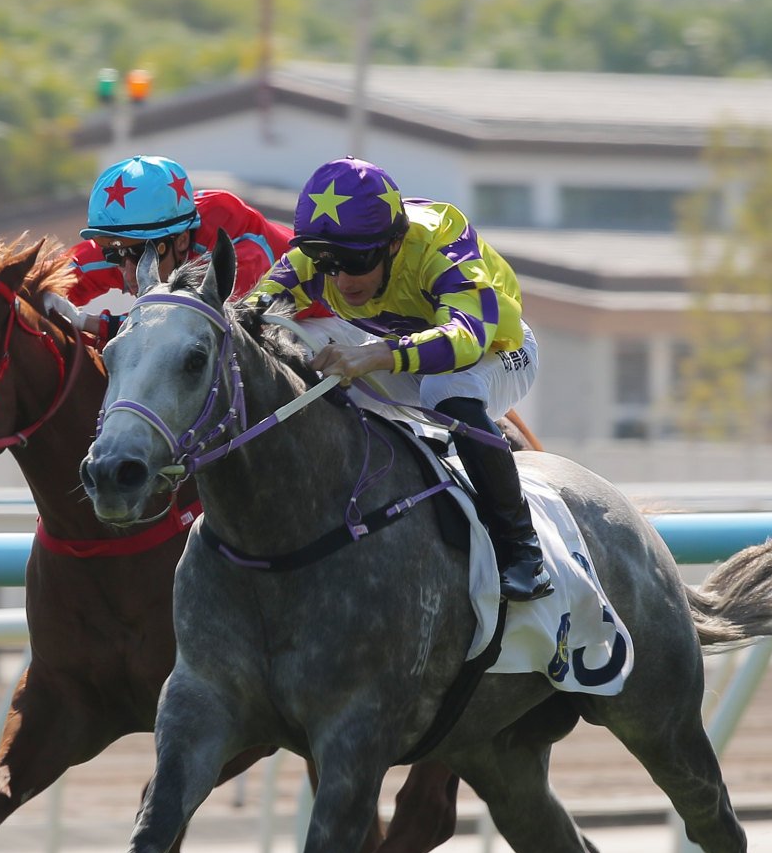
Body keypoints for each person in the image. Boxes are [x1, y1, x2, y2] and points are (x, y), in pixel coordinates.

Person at [245, 157, 552, 601]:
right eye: (324, 261)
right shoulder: (325, 253)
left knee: (445, 388)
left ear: (393, 243)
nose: (341, 277)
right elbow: (248, 317)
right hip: (407, 355)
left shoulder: (440, 242)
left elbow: (466, 339)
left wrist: (373, 355)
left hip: (498, 351)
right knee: (302, 341)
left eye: (355, 261)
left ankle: (523, 549)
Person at [68, 155, 295, 342]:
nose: (128, 274)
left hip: (313, 315)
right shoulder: (134, 243)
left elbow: (187, 321)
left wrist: (92, 323)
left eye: (140, 256)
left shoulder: (237, 245)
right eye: (114, 254)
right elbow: (44, 284)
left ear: (182, 240)